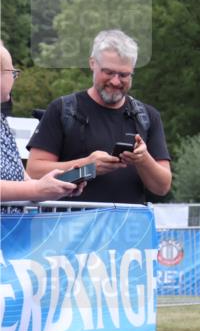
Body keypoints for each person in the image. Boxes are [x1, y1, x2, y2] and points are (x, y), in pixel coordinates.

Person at [26, 30, 171, 203]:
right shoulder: (63, 110)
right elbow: (34, 171)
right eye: (108, 72)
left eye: (124, 75)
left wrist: (143, 159)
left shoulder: (147, 116)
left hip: (128, 227)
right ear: (92, 64)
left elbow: (162, 187)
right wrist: (87, 166)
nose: (116, 81)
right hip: (71, 225)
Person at [0, 40, 78, 202]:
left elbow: (22, 181)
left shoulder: (1, 121)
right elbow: (30, 188)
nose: (15, 78)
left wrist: (53, 186)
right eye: (12, 73)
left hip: (13, 225)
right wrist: (37, 189)